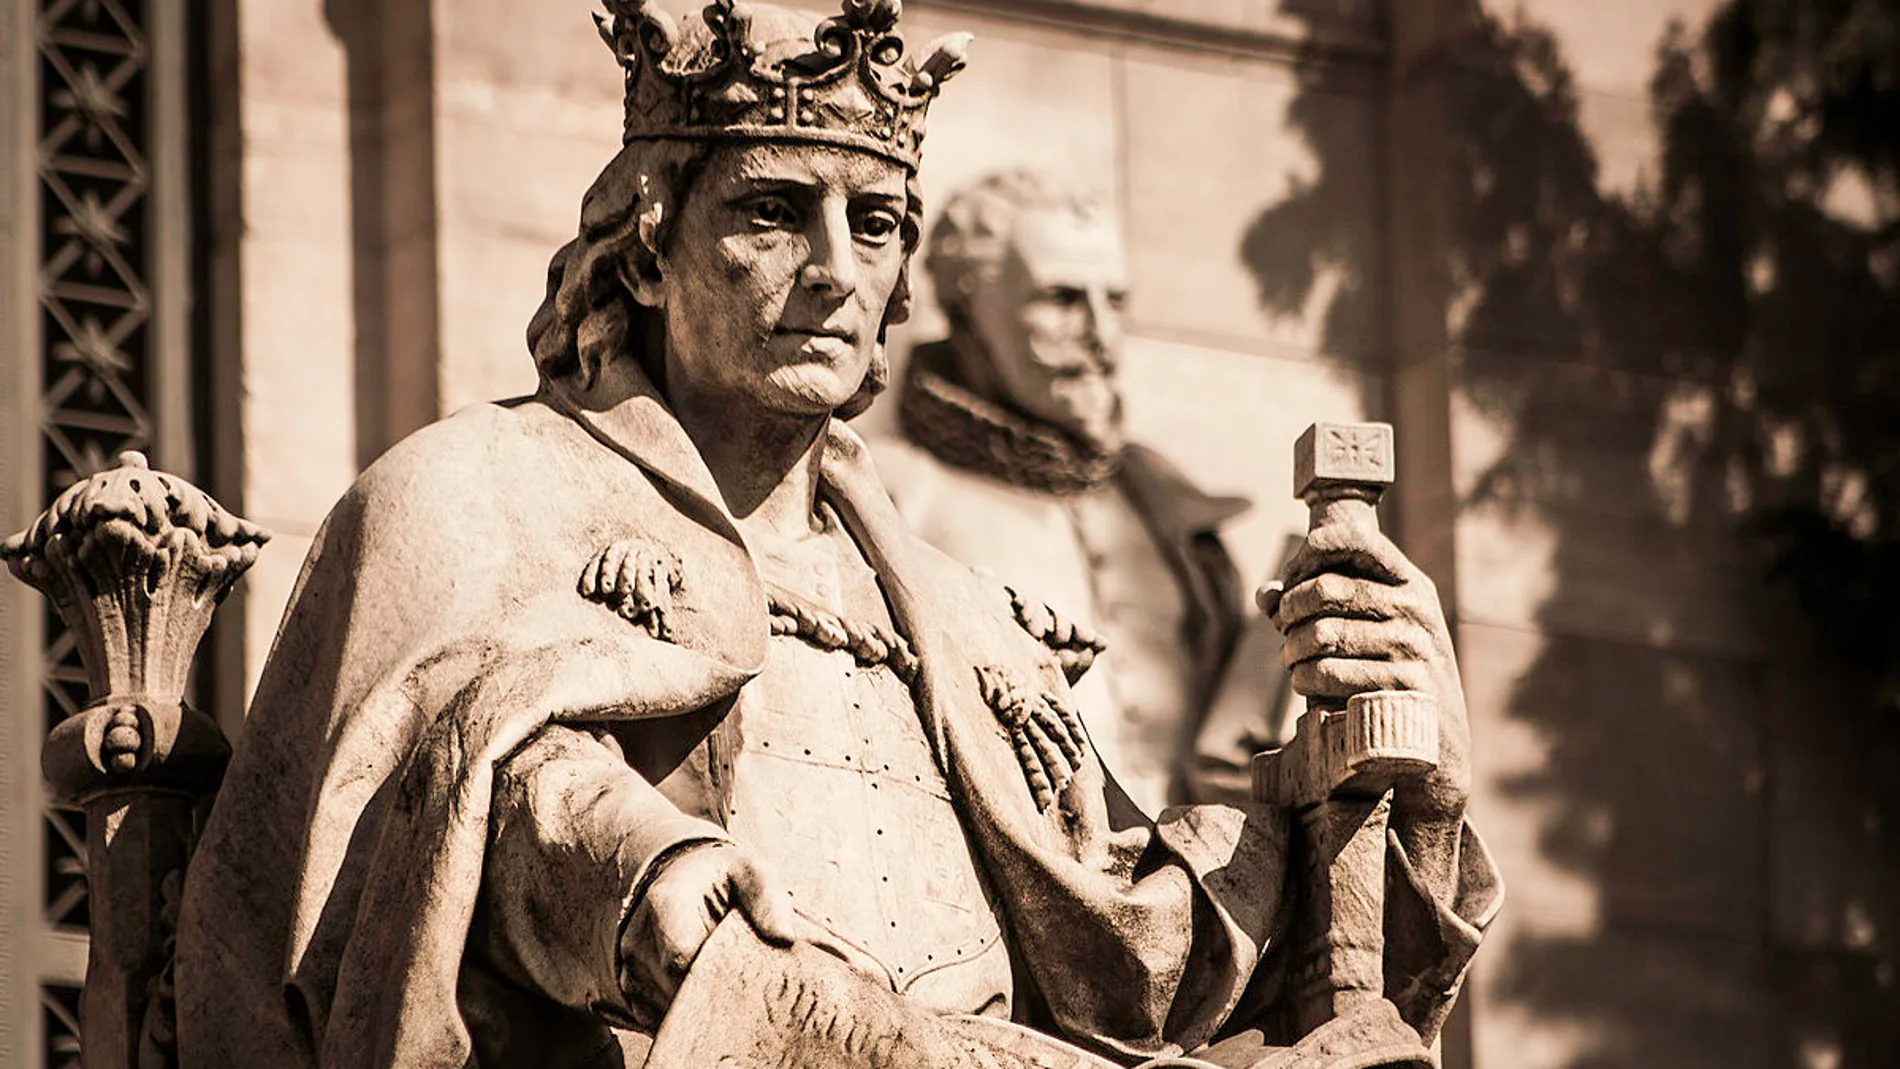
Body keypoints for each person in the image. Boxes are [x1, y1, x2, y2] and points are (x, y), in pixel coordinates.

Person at [175, 2, 1500, 1067]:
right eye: (770, 210)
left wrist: (1383, 793)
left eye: (873, 225)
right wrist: (631, 876)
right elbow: (393, 831)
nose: (835, 269)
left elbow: (1140, 965)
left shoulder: (961, 610)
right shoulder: (468, 492)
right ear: (645, 253)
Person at [873, 172, 1287, 812]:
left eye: (1114, 301)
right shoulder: (889, 495)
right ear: (970, 313)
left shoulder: (1167, 512)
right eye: (1061, 300)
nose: (1100, 336)